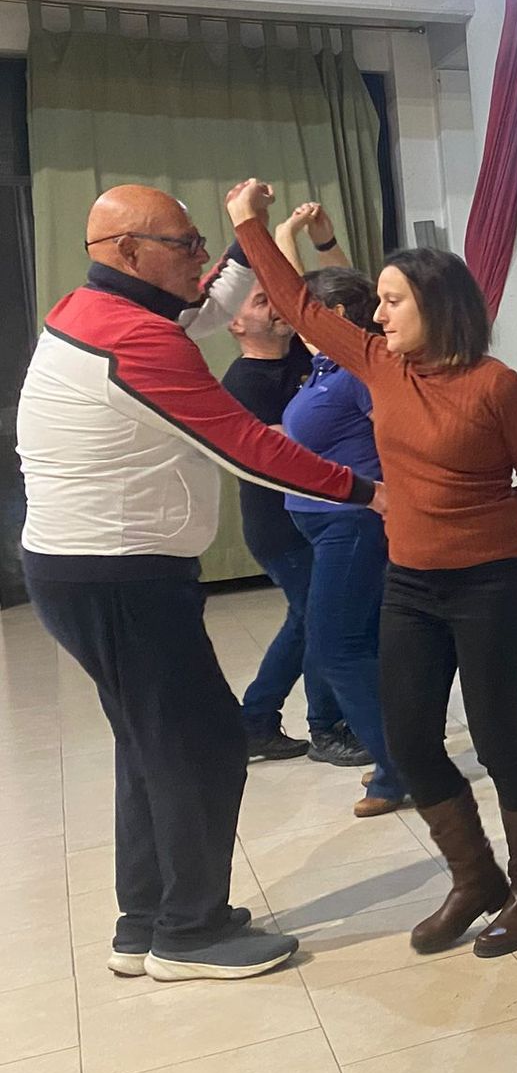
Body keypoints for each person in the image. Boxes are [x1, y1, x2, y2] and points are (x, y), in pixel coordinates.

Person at [17, 185, 381, 982]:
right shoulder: (134, 338)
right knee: (204, 742)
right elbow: (248, 447)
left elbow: (212, 301)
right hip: (116, 574)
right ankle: (190, 932)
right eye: (184, 244)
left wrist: (255, 226)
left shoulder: (100, 311)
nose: (200, 258)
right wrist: (368, 491)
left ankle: (145, 920)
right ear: (127, 253)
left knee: (150, 743)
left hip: (92, 569)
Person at [226, 179, 517, 958]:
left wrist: (465, 511)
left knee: (499, 738)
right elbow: (302, 307)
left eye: (390, 301)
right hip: (410, 583)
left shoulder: (498, 387)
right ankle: (474, 879)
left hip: (493, 584)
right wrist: (251, 227)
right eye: (376, 302)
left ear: (437, 308)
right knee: (410, 742)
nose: (375, 316)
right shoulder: (382, 367)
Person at [273, 204, 407, 819]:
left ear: (336, 319)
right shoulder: (325, 365)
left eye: (308, 312)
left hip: (351, 527)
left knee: (335, 647)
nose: (290, 316)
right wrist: (290, 233)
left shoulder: (358, 370)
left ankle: (397, 768)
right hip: (326, 525)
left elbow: (398, 437)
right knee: (359, 645)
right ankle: (397, 754)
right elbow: (297, 288)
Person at [220, 282, 334, 761]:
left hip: (319, 517)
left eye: (276, 296)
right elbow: (282, 451)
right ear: (236, 324)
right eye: (261, 302)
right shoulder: (242, 383)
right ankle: (284, 721)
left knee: (311, 618)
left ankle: (258, 720)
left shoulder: (302, 360)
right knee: (315, 619)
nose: (276, 307)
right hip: (279, 525)